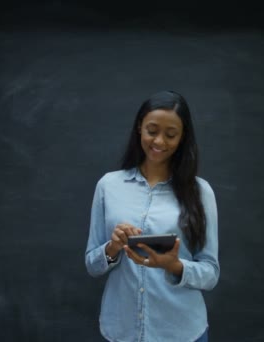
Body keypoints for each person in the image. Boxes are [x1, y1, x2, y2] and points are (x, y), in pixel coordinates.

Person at [85, 90, 219, 342]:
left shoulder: (201, 192)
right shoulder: (109, 186)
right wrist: (113, 247)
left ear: (182, 138)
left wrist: (174, 265)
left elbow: (210, 273)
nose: (159, 141)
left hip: (182, 332)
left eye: (170, 135)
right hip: (122, 329)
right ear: (139, 128)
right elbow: (92, 264)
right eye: (152, 130)